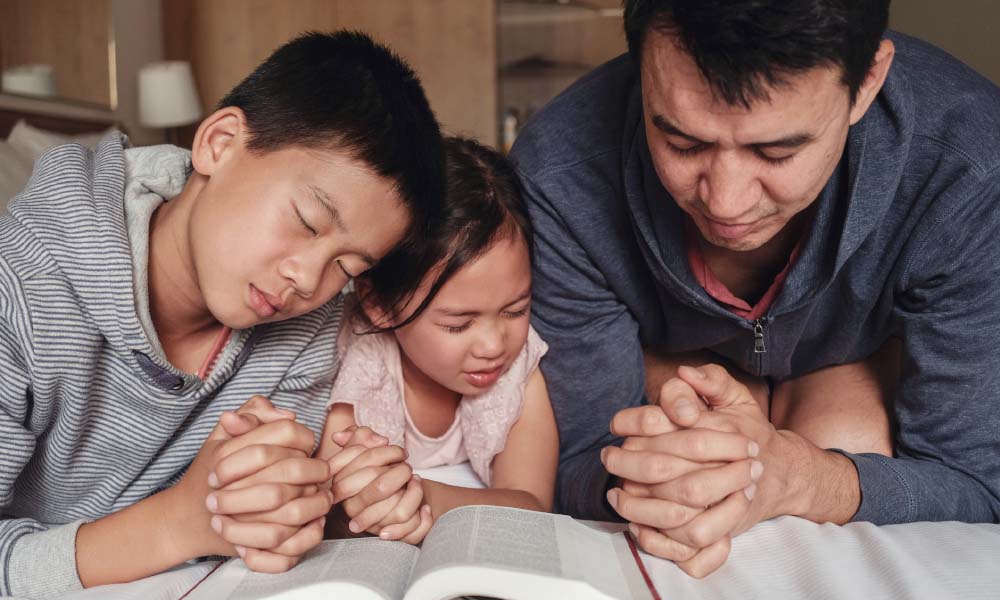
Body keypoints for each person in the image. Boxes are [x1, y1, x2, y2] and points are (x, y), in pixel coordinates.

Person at [509, 0, 1000, 578]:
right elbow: (570, 464)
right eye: (683, 143)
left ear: (866, 82)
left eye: (777, 151)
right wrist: (670, 479)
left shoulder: (969, 169)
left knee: (850, 429)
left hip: (857, 374)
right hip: (665, 383)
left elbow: (976, 485)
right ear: (641, 65)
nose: (726, 203)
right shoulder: (558, 173)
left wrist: (800, 476)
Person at [0, 31, 445, 596]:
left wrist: (330, 500)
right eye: (307, 222)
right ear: (220, 142)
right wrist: (176, 525)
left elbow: (254, 519)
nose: (308, 280)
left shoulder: (308, 323)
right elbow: (199, 524)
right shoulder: (19, 289)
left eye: (348, 267)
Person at [315, 137, 559, 544]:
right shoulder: (357, 366)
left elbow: (532, 505)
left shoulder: (518, 368)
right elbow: (332, 507)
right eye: (458, 324)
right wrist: (362, 503)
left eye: (515, 310)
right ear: (378, 303)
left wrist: (423, 497)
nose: (493, 345)